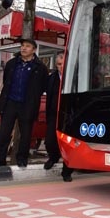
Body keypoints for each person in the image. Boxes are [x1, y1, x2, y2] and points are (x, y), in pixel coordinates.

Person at [0, 39, 48, 168]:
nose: (24, 48)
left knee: (25, 134)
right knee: (4, 133)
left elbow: (43, 86)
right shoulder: (12, 64)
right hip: (11, 102)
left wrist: (33, 98)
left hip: (27, 105)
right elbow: (6, 81)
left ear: (34, 49)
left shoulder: (40, 67)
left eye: (27, 46)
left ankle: (22, 159)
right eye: (22, 46)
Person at [42, 53, 74, 181]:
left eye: (64, 64)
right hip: (53, 114)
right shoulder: (51, 78)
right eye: (59, 64)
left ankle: (67, 171)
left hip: (69, 115)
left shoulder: (74, 77)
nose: (61, 67)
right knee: (50, 141)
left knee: (68, 144)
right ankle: (53, 157)